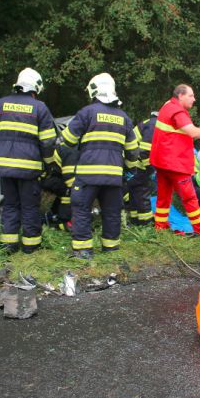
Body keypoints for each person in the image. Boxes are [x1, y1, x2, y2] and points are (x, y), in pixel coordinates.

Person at [0, 67, 57, 254]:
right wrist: (49, 163)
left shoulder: (0, 104)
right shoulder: (39, 108)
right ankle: (30, 246)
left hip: (5, 167)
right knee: (30, 207)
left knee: (10, 205)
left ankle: (8, 246)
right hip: (29, 168)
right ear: (35, 89)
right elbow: (48, 142)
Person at [60, 73, 139, 259]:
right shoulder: (124, 117)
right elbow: (133, 150)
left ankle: (83, 250)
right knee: (112, 212)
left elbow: (68, 141)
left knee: (81, 210)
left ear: (94, 90)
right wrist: (129, 169)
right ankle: (111, 249)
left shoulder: (87, 112)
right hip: (113, 176)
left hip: (88, 174)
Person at [150, 84, 200, 235]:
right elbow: (193, 132)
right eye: (191, 96)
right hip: (175, 164)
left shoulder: (167, 105)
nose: (194, 99)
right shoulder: (178, 112)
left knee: (163, 196)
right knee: (190, 198)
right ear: (180, 96)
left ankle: (160, 227)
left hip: (162, 162)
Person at [125, 112, 158, 226]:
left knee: (134, 192)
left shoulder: (148, 123)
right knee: (142, 191)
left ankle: (135, 220)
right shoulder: (155, 125)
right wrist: (150, 169)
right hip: (138, 164)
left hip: (131, 162)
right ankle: (146, 222)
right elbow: (145, 150)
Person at [40, 142, 79, 231]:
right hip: (50, 178)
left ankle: (56, 217)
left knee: (67, 191)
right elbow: (70, 180)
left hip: (50, 177)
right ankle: (63, 220)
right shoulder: (70, 151)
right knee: (68, 192)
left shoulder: (67, 149)